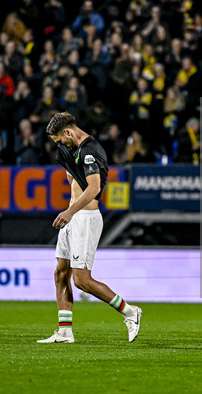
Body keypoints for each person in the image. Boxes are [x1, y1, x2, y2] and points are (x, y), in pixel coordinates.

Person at [37, 112, 142, 344]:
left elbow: (94, 188)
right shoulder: (68, 149)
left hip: (85, 218)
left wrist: (71, 211)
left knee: (82, 280)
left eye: (58, 139)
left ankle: (130, 312)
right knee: (60, 272)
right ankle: (65, 332)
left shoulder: (91, 151)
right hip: (72, 216)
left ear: (68, 132)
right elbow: (71, 177)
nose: (58, 145)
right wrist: (70, 209)